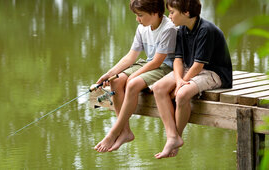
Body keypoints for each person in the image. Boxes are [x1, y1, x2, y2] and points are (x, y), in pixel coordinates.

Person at [152, 0, 233, 159]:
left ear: (186, 13)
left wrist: (181, 84)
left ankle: (177, 135)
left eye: (172, 12)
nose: (170, 16)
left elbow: (199, 65)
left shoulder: (206, 30)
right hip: (192, 69)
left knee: (182, 94)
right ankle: (172, 137)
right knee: (158, 88)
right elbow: (178, 60)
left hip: (214, 72)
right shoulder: (181, 29)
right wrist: (178, 80)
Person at [94, 0, 177, 153]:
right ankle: (125, 131)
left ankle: (113, 132)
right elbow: (131, 56)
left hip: (165, 67)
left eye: (140, 15)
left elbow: (158, 61)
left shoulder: (169, 29)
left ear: (155, 13)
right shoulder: (142, 28)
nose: (137, 19)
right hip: (149, 63)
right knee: (117, 80)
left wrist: (134, 76)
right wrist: (110, 73)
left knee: (133, 84)